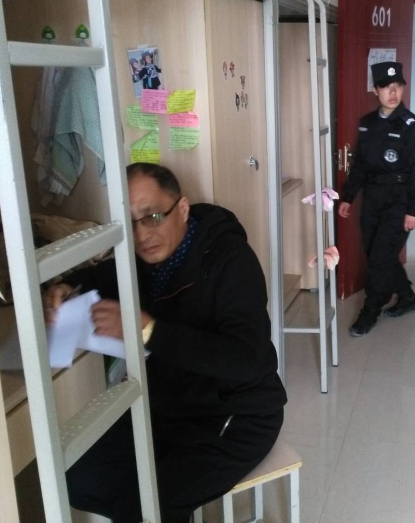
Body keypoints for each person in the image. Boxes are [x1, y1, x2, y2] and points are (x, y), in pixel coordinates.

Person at [45, 163, 287, 523]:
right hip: (170, 406)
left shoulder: (231, 260)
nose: (142, 234)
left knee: (146, 505)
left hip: (237, 415)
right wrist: (66, 286)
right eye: (130, 223)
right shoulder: (142, 260)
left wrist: (149, 330)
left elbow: (246, 359)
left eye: (153, 216)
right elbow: (100, 275)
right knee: (75, 478)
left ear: (183, 209)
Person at [338, 61, 415, 337]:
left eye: (397, 86)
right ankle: (407, 297)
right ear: (375, 90)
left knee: (380, 259)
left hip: (400, 200)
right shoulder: (367, 124)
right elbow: (360, 165)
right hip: (372, 199)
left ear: (403, 88)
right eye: (386, 87)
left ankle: (371, 310)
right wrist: (348, 196)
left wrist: (414, 209)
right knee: (379, 255)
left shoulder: (413, 126)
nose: (393, 92)